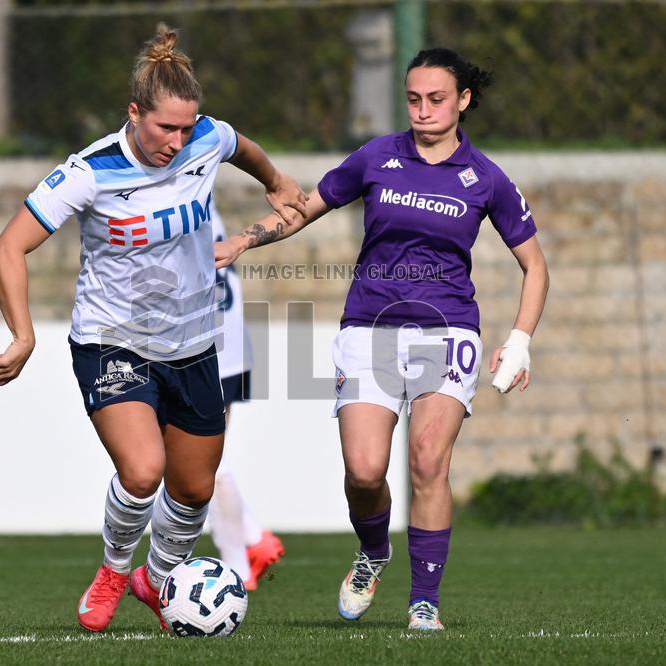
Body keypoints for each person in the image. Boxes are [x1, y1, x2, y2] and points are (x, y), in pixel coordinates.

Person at [215, 47, 549, 630]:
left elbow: (536, 267)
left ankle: (425, 603)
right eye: (414, 99)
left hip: (448, 330)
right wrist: (247, 238)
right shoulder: (377, 157)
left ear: (463, 101)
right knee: (365, 472)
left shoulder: (486, 178)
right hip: (369, 327)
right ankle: (373, 553)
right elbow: (306, 208)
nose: (423, 110)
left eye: (437, 99)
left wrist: (518, 340)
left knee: (427, 462)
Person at [0, 24, 306, 633]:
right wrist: (22, 336)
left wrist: (276, 183)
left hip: (192, 342)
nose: (178, 141)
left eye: (187, 128)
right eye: (165, 128)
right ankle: (113, 569)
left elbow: (240, 145)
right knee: (142, 471)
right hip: (113, 339)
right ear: (134, 113)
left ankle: (157, 581)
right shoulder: (89, 171)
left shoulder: (204, 139)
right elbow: (7, 250)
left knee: (194, 488)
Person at [208, 212, 285, 591]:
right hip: (228, 345)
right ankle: (252, 541)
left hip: (207, 347)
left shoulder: (174, 201)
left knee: (196, 462)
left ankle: (241, 561)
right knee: (200, 460)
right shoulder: (200, 202)